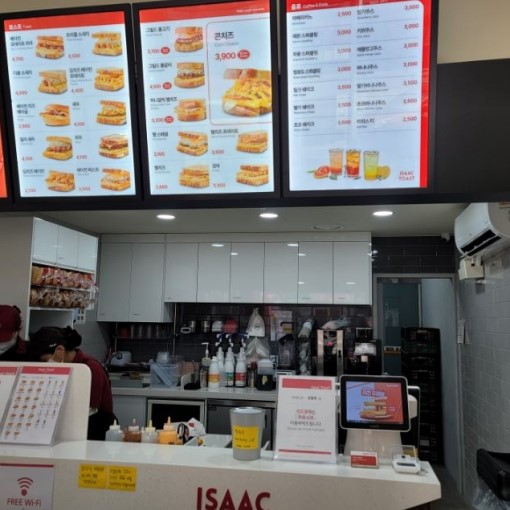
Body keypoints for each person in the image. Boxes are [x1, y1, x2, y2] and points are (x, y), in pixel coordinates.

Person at [28, 326, 115, 440]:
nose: (45, 365)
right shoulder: (65, 368)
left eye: (45, 360)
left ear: (60, 350)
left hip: (96, 431)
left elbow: (89, 411)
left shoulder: (90, 368)